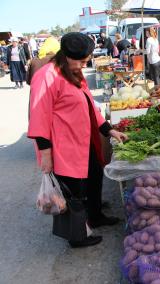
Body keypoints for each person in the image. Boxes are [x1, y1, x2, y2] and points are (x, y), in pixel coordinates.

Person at [27, 32, 127, 248]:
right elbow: (39, 117)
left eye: (86, 61)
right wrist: (45, 154)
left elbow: (90, 104)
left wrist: (109, 130)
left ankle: (96, 215)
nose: (84, 65)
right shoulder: (46, 76)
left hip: (84, 140)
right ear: (66, 55)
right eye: (81, 61)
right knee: (74, 192)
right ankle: (77, 236)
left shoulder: (74, 73)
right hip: (63, 146)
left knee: (94, 176)